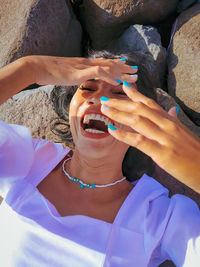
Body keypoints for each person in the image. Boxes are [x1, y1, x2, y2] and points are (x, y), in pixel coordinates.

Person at [0, 51, 200, 267]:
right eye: (87, 87)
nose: (98, 99)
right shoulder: (26, 159)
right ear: (70, 108)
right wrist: (30, 68)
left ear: (144, 120)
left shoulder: (160, 217)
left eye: (120, 94)